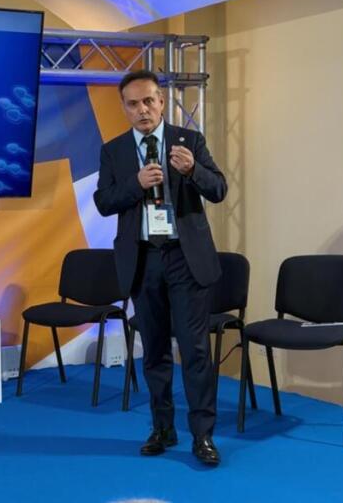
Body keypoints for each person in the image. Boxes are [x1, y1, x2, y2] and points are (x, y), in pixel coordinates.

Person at [94, 69, 227, 466]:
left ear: (162, 102)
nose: (143, 110)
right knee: (153, 350)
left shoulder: (189, 141)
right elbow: (104, 202)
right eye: (133, 104)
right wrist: (135, 183)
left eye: (149, 101)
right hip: (143, 259)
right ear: (124, 108)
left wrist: (192, 171)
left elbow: (219, 189)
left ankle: (202, 435)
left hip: (186, 259)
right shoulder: (114, 151)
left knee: (195, 351)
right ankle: (162, 428)